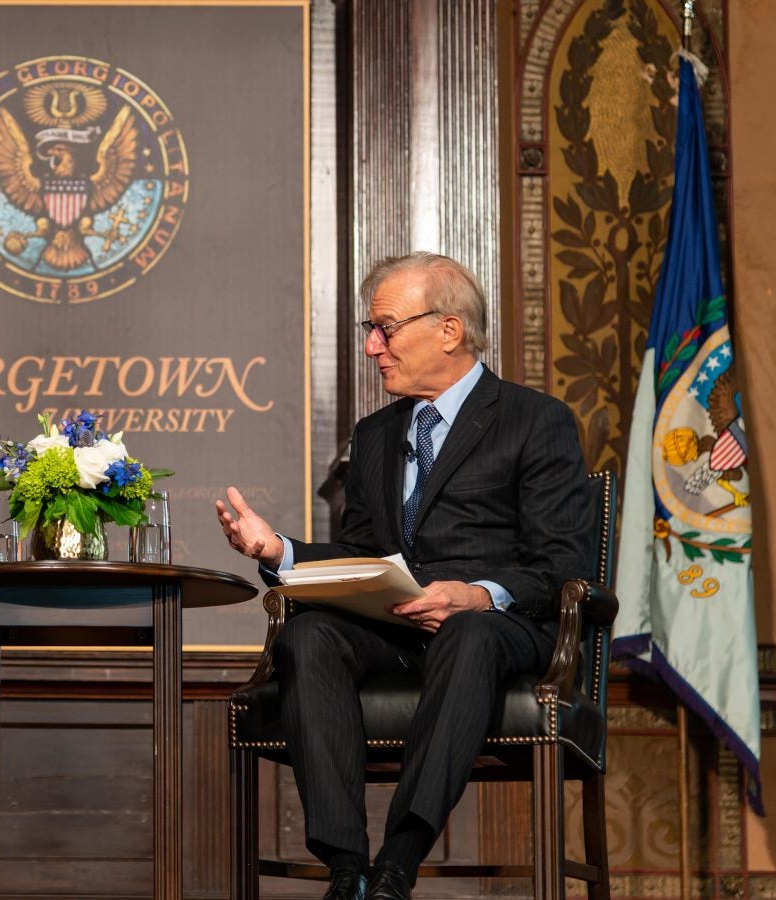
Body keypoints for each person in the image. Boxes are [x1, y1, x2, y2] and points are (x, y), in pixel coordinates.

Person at [216, 252, 590, 900]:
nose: (371, 346)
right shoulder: (376, 435)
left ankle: (399, 861)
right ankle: (346, 868)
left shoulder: (535, 421)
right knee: (308, 639)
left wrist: (476, 595)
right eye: (372, 329)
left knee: (470, 633)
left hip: (498, 633)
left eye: (385, 328)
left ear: (448, 329)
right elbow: (363, 556)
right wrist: (278, 550)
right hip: (396, 628)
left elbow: (563, 566)